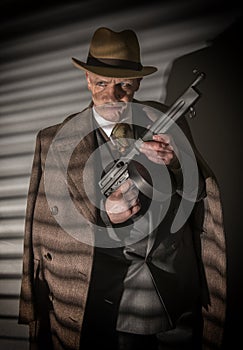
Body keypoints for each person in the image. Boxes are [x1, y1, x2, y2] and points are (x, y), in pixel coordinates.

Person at [18, 27, 227, 350]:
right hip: (105, 297)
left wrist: (175, 164)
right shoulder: (52, 141)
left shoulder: (169, 122)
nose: (112, 97)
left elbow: (201, 197)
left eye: (124, 85)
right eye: (101, 83)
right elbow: (45, 229)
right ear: (87, 79)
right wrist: (104, 216)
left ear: (138, 83)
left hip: (175, 286)